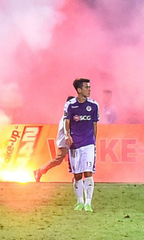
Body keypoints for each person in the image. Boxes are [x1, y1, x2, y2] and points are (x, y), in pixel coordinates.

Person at [65, 78, 99, 212]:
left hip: (88, 144)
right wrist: (68, 135)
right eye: (86, 87)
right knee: (77, 175)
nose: (89, 89)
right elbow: (67, 122)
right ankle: (79, 201)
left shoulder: (94, 105)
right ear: (79, 90)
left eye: (89, 87)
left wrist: (93, 141)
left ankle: (88, 203)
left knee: (88, 173)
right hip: (75, 145)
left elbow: (95, 124)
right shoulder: (71, 105)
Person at [33, 96, 75, 182]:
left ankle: (76, 178)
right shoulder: (67, 116)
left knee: (74, 158)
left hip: (68, 141)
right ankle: (39, 171)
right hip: (65, 141)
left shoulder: (69, 115)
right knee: (58, 160)